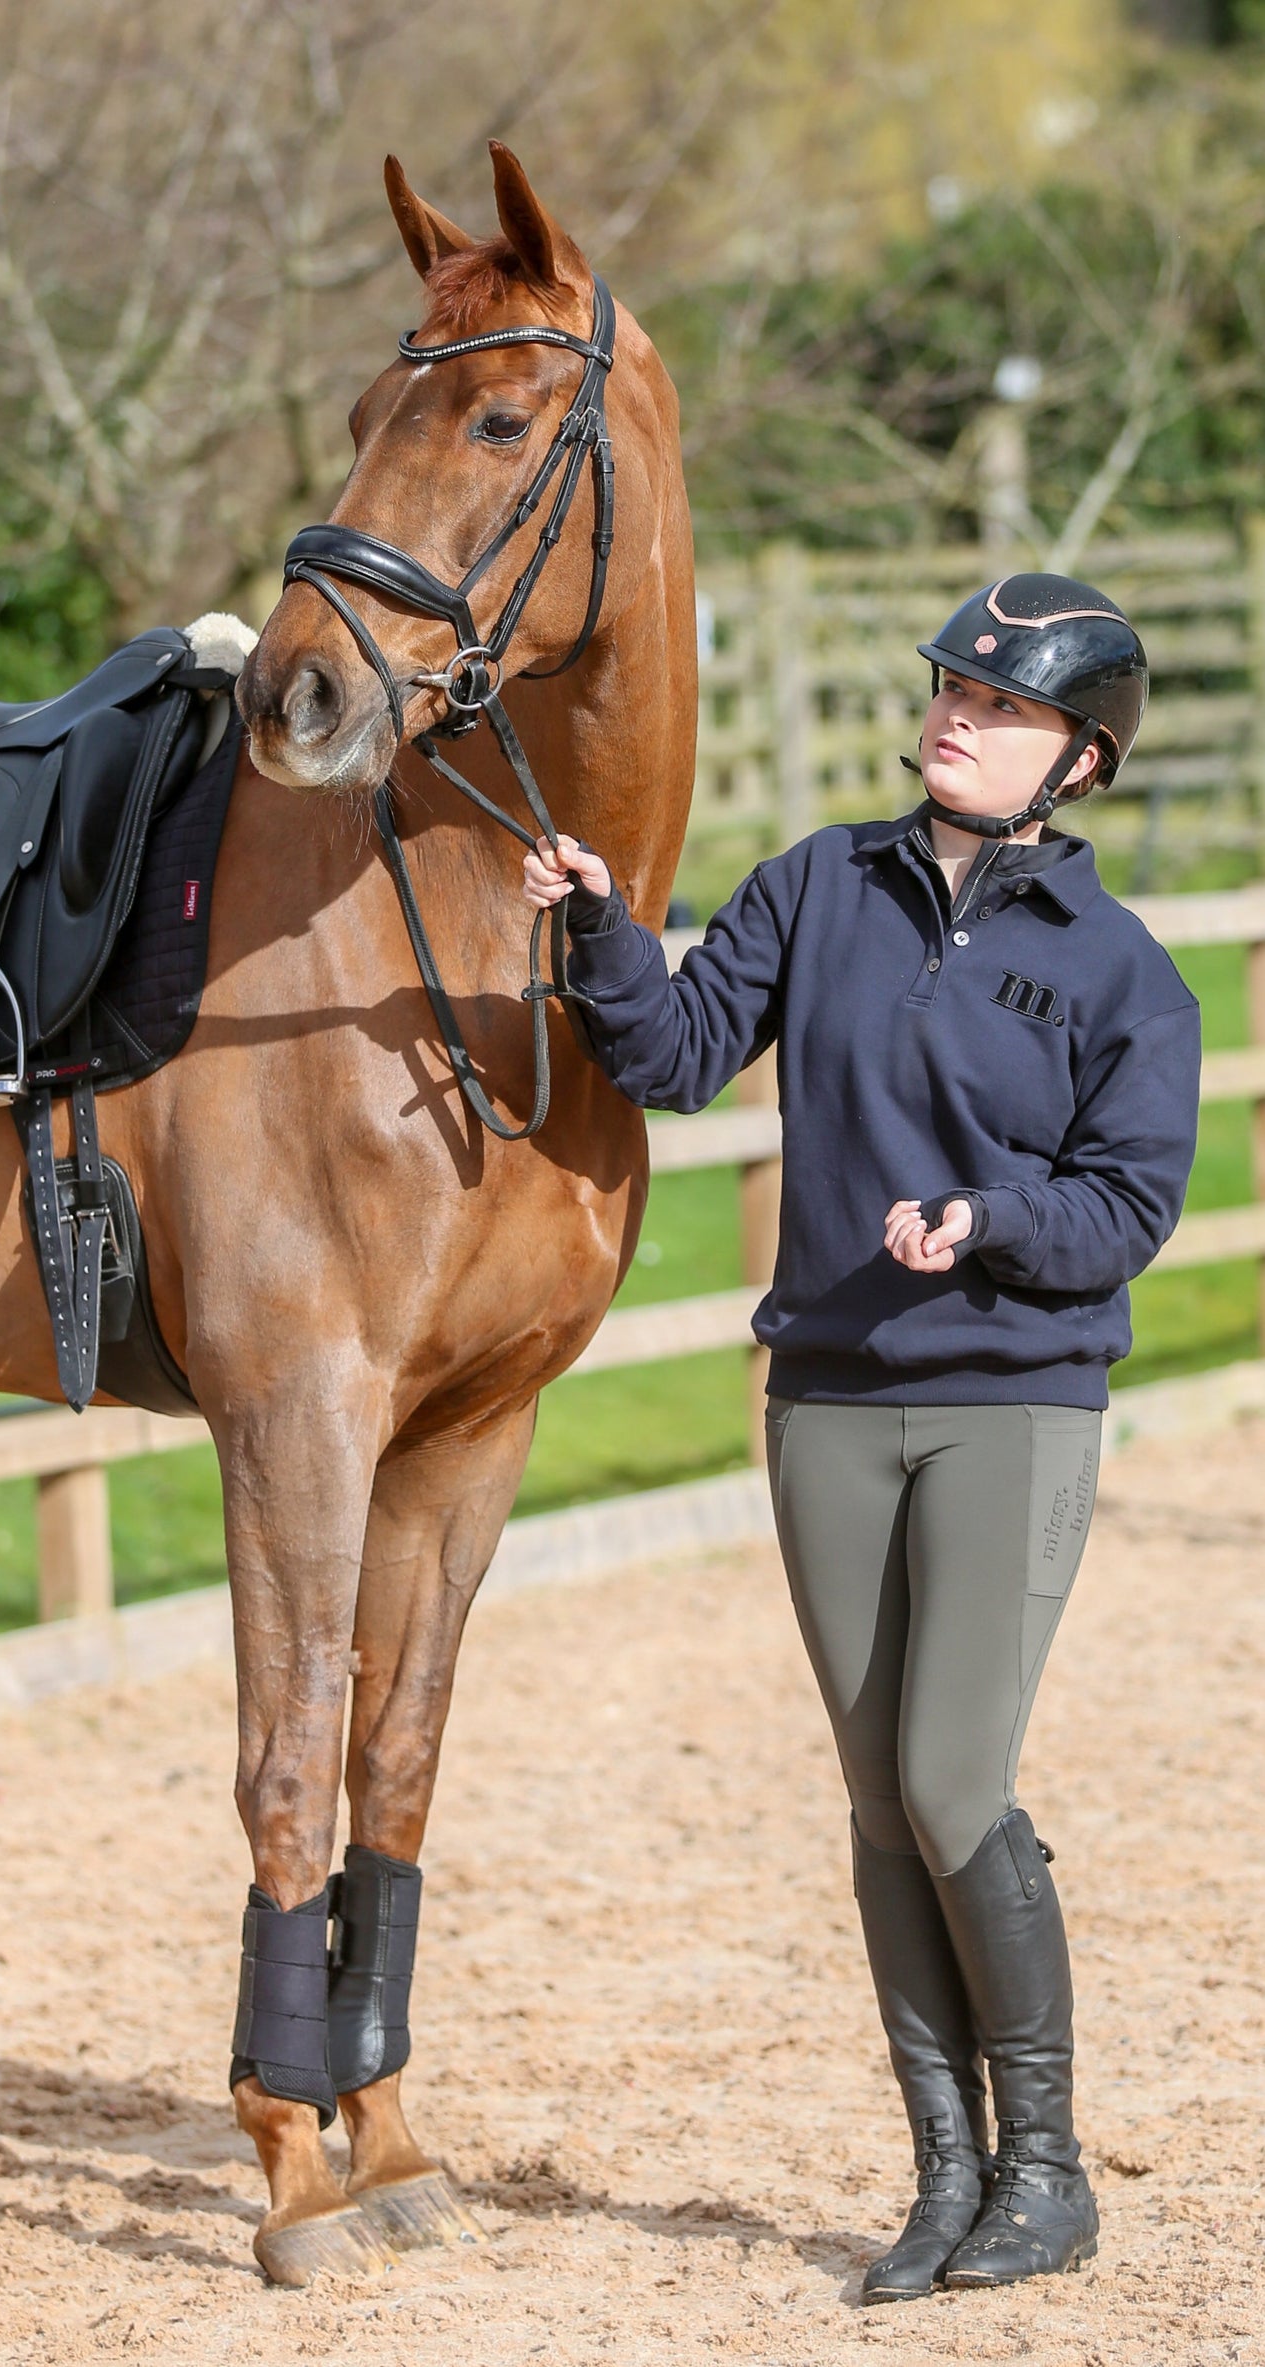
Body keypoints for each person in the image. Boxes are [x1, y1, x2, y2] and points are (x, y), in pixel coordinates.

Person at [523, 575, 1201, 2302]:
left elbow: (1124, 1209)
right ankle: (944, 2174)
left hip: (1010, 1407)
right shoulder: (817, 883)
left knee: (950, 1778)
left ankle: (1047, 2172)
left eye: (1004, 703)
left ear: (1080, 759)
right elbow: (674, 1057)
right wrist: (603, 934)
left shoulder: (1122, 975)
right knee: (876, 1805)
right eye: (952, 686)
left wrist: (984, 1221)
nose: (958, 712)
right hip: (825, 1399)